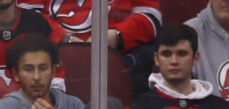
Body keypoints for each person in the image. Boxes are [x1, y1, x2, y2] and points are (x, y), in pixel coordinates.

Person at [30, 0, 162, 96]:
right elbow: (28, 15)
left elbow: (150, 17)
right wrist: (63, 39)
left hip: (116, 56)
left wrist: (117, 36)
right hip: (53, 54)